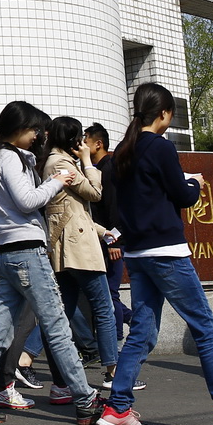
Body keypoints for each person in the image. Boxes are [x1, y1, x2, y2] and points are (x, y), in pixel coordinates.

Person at [94, 85, 213, 425]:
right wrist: (196, 184)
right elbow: (182, 195)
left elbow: (141, 195)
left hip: (137, 253)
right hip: (167, 252)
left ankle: (118, 407)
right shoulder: (161, 147)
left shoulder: (123, 151)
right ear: (164, 114)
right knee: (205, 328)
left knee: (142, 331)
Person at [0, 101, 99, 425]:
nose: (37, 135)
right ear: (18, 128)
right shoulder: (8, 157)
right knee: (58, 328)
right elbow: (27, 201)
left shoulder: (0, 157)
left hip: (9, 254)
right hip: (27, 254)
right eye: (33, 129)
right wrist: (58, 180)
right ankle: (86, 400)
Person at [41, 116, 121, 400]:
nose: (82, 143)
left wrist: (101, 231)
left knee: (63, 312)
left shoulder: (54, 161)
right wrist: (88, 161)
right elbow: (95, 193)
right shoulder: (61, 164)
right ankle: (112, 372)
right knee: (103, 308)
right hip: (77, 248)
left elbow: (73, 209)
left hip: (66, 246)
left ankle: (57, 379)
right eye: (79, 138)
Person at [84, 122, 131, 338]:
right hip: (101, 239)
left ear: (98, 144)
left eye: (86, 141)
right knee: (105, 293)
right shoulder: (96, 169)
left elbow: (114, 207)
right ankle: (131, 318)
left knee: (110, 293)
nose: (82, 145)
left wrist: (114, 242)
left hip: (111, 240)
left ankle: (117, 340)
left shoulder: (109, 169)